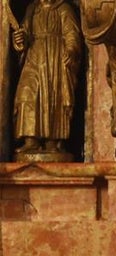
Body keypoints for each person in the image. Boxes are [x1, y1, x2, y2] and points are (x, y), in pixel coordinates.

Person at [11, 0, 82, 159]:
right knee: (27, 94)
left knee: (53, 98)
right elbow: (24, 34)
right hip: (34, 57)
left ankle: (53, 142)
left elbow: (72, 34)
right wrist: (20, 41)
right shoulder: (32, 9)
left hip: (54, 60)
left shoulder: (63, 8)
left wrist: (71, 50)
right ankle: (30, 140)